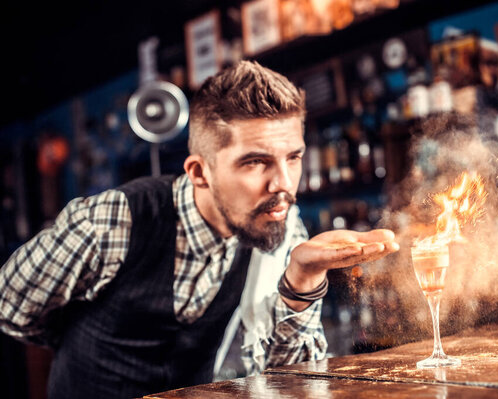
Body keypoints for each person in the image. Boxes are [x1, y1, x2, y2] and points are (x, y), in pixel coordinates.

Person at [0, 61, 399, 398]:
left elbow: (287, 378)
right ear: (199, 172)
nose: (283, 184)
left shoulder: (278, 225)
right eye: (256, 162)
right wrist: (78, 339)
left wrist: (303, 280)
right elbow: (11, 307)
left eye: (292, 157)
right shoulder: (114, 220)